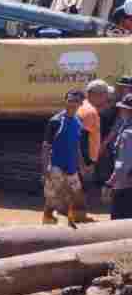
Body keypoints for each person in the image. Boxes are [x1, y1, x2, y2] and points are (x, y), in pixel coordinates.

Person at [41, 89, 92, 225]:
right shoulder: (56, 121)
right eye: (69, 100)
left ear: (81, 103)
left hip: (72, 166)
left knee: (77, 194)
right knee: (52, 197)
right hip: (56, 165)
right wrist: (45, 167)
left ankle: (74, 219)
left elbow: (77, 147)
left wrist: (82, 166)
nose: (72, 103)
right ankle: (48, 220)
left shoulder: (78, 123)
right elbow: (46, 146)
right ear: (65, 101)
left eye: (75, 101)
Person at [103, 94, 132, 219]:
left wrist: (109, 184)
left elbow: (123, 166)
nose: (120, 111)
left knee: (119, 224)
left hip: (126, 187)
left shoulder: (127, 134)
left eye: (123, 109)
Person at [78, 78, 111, 183]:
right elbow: (80, 140)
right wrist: (85, 165)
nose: (107, 98)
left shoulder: (83, 106)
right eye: (106, 95)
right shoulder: (90, 113)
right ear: (97, 95)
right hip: (85, 164)